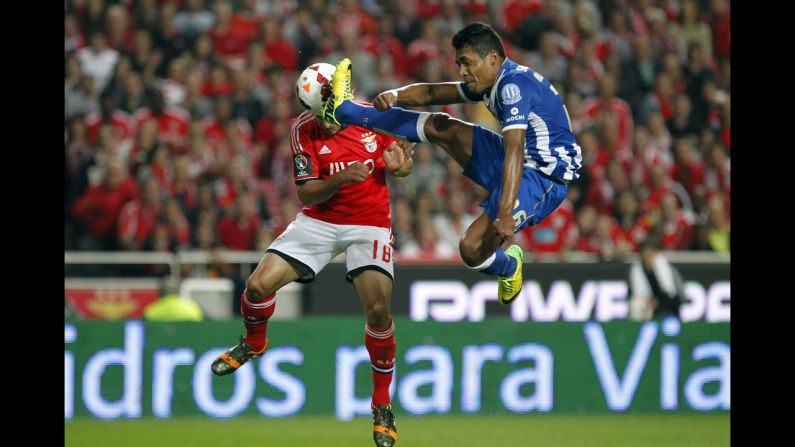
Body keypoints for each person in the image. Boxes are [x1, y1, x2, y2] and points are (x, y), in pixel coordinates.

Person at [211, 63, 414, 447]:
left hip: (369, 222)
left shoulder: (371, 117)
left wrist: (400, 167)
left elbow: (401, 165)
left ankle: (381, 406)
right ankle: (254, 342)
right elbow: (306, 193)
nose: (329, 121)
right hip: (319, 220)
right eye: (322, 115)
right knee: (257, 286)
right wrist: (341, 177)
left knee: (377, 310)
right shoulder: (302, 130)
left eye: (332, 112)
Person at [322, 22, 582, 305]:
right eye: (459, 64)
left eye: (467, 63)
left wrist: (505, 213)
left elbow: (515, 150)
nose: (462, 72)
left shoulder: (513, 87)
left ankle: (509, 267)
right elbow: (432, 94)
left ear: (492, 58)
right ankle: (345, 110)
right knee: (442, 127)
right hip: (517, 160)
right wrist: (396, 95)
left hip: (544, 178)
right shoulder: (493, 79)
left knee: (471, 249)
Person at [628, 238, 684, 320]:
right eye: (645, 253)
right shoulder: (637, 271)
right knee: (636, 304)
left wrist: (658, 302)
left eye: (650, 253)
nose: (648, 257)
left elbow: (676, 297)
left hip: (667, 307)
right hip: (647, 306)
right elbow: (633, 294)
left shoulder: (667, 269)